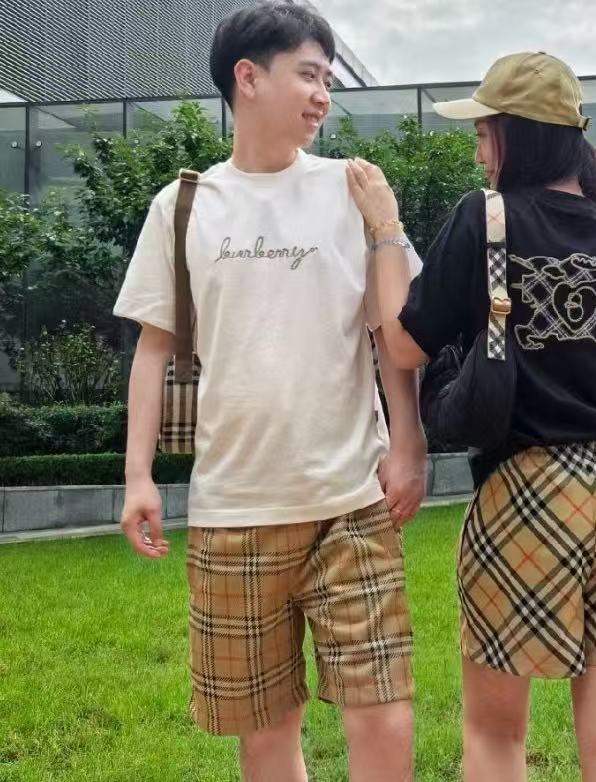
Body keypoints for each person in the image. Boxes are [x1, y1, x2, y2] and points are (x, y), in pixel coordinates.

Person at [346, 51, 596, 782]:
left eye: (485, 134)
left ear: (521, 135)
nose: (479, 152)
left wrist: (384, 230)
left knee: (495, 735)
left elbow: (405, 348)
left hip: (525, 492)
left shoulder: (485, 219)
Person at [113, 4, 426, 780]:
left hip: (350, 500)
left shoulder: (352, 190)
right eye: (309, 75)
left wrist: (409, 444)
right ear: (247, 78)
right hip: (234, 509)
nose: (323, 95)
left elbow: (392, 334)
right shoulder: (183, 205)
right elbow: (152, 349)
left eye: (329, 79)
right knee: (265, 733)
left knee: (383, 712)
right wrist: (138, 476)